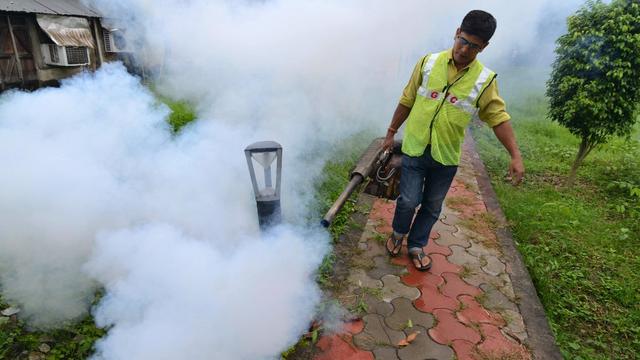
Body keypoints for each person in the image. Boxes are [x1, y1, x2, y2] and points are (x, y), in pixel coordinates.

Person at [383, 10, 524, 271]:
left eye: (474, 47)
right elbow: (407, 98)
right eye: (464, 41)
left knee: (433, 206)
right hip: (415, 146)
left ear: (484, 47)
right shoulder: (428, 62)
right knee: (408, 201)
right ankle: (397, 234)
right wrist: (391, 132)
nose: (465, 50)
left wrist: (515, 155)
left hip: (446, 155)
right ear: (457, 32)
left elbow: (498, 118)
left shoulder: (484, 80)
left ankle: (416, 245)